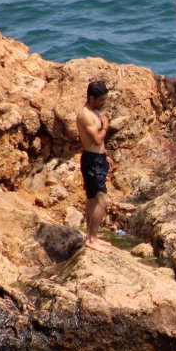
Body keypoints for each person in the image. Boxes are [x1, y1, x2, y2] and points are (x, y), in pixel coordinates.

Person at [76, 80, 114, 253]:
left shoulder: (94, 111)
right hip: (91, 161)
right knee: (101, 200)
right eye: (101, 100)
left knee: (93, 199)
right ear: (91, 98)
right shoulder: (85, 115)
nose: (104, 103)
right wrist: (106, 125)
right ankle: (92, 239)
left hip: (98, 158)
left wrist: (105, 155)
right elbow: (97, 139)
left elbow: (99, 145)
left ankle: (90, 237)